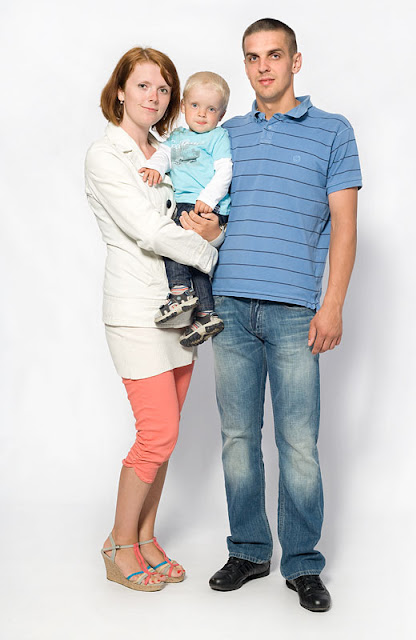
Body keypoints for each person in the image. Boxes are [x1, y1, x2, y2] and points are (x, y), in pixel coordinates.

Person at [206, 18, 363, 611]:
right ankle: (249, 550)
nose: (263, 66)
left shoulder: (333, 131)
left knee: (298, 443)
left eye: (274, 55)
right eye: (252, 57)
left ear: (295, 61)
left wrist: (333, 304)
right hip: (230, 306)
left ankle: (302, 563)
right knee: (237, 438)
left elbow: (344, 227)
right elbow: (212, 207)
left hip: (298, 310)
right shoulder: (227, 134)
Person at [85, 47, 222, 592]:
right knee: (158, 432)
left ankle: (145, 537)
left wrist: (211, 229)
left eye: (164, 88)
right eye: (143, 85)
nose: (155, 97)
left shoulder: (169, 151)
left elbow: (195, 214)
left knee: (166, 437)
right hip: (136, 312)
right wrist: (208, 251)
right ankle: (119, 544)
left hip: (176, 312)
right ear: (120, 91)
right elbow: (150, 230)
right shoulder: (105, 155)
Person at [140, 71, 232, 347]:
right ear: (183, 106)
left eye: (211, 109)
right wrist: (155, 169)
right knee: (195, 260)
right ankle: (206, 313)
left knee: (174, 243)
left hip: (204, 204)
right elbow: (163, 155)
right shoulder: (177, 136)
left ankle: (179, 292)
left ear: (221, 114)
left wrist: (208, 198)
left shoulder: (218, 136)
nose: (202, 114)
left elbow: (225, 171)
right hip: (186, 202)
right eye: (195, 106)